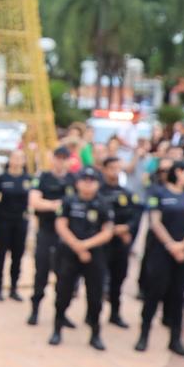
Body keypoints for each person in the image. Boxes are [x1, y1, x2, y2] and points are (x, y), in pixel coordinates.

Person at [135, 160, 184, 356]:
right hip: (162, 251)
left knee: (178, 295)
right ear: (178, 172)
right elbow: (155, 222)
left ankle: (175, 338)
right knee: (154, 293)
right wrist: (171, 245)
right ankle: (144, 334)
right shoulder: (159, 193)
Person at [49, 167, 115, 349]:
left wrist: (85, 246)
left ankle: (95, 333)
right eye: (84, 180)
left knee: (95, 296)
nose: (87, 183)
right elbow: (61, 225)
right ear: (77, 183)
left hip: (95, 255)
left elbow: (107, 232)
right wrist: (77, 247)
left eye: (91, 180)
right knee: (63, 293)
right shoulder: (69, 201)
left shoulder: (103, 203)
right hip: (69, 253)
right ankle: (57, 329)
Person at [27, 146, 73, 325]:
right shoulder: (43, 177)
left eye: (64, 158)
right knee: (41, 273)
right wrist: (57, 205)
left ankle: (61, 314)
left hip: (66, 236)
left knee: (65, 277)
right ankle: (35, 309)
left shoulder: (73, 180)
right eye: (58, 157)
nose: (61, 161)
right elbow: (35, 202)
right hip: (47, 231)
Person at [98, 156, 141, 328]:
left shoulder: (127, 193)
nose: (115, 171)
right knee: (98, 280)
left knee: (119, 278)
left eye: (118, 167)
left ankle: (115, 313)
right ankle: (93, 314)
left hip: (120, 242)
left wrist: (126, 228)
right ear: (104, 170)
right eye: (111, 167)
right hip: (101, 242)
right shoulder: (98, 192)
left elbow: (135, 216)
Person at [0, 149, 29, 302]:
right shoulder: (1, 178)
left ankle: (13, 288)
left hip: (20, 221)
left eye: (20, 158)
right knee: (0, 255)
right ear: (10, 160)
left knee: (17, 256)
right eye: (15, 157)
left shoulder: (28, 179)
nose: (17, 160)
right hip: (3, 221)